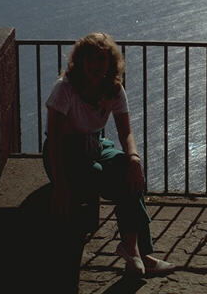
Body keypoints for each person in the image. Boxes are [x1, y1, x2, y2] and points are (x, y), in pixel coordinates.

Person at [43, 32, 175, 276]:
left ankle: (136, 252)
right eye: (91, 59)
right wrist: (61, 185)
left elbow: (126, 132)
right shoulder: (65, 89)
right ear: (81, 61)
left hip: (95, 144)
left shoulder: (113, 89)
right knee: (101, 175)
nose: (96, 66)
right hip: (65, 151)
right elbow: (55, 141)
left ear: (110, 63)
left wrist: (135, 159)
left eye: (101, 60)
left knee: (129, 173)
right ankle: (136, 253)